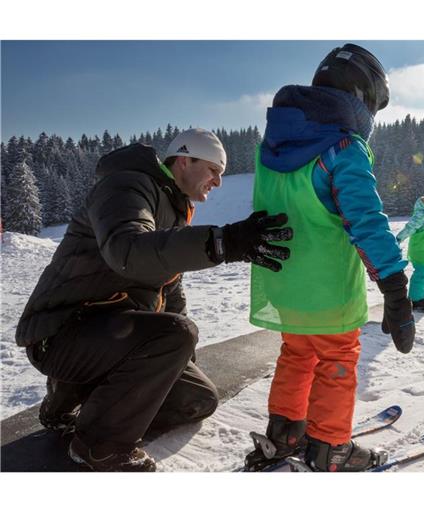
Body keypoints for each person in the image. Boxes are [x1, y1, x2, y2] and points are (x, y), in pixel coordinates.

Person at [15, 128, 293, 472]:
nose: (218, 182)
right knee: (175, 333)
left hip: (110, 334)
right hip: (60, 333)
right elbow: (128, 250)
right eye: (213, 170)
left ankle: (77, 402)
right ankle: (98, 445)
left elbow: (170, 291)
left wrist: (178, 363)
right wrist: (224, 242)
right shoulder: (126, 186)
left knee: (198, 400)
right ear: (185, 160)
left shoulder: (173, 208)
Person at [244, 44, 414, 472]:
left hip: (283, 285)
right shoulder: (342, 147)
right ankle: (329, 447)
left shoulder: (272, 147)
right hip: (329, 291)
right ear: (359, 98)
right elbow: (367, 222)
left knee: (296, 353)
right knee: (337, 358)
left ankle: (284, 433)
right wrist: (394, 287)